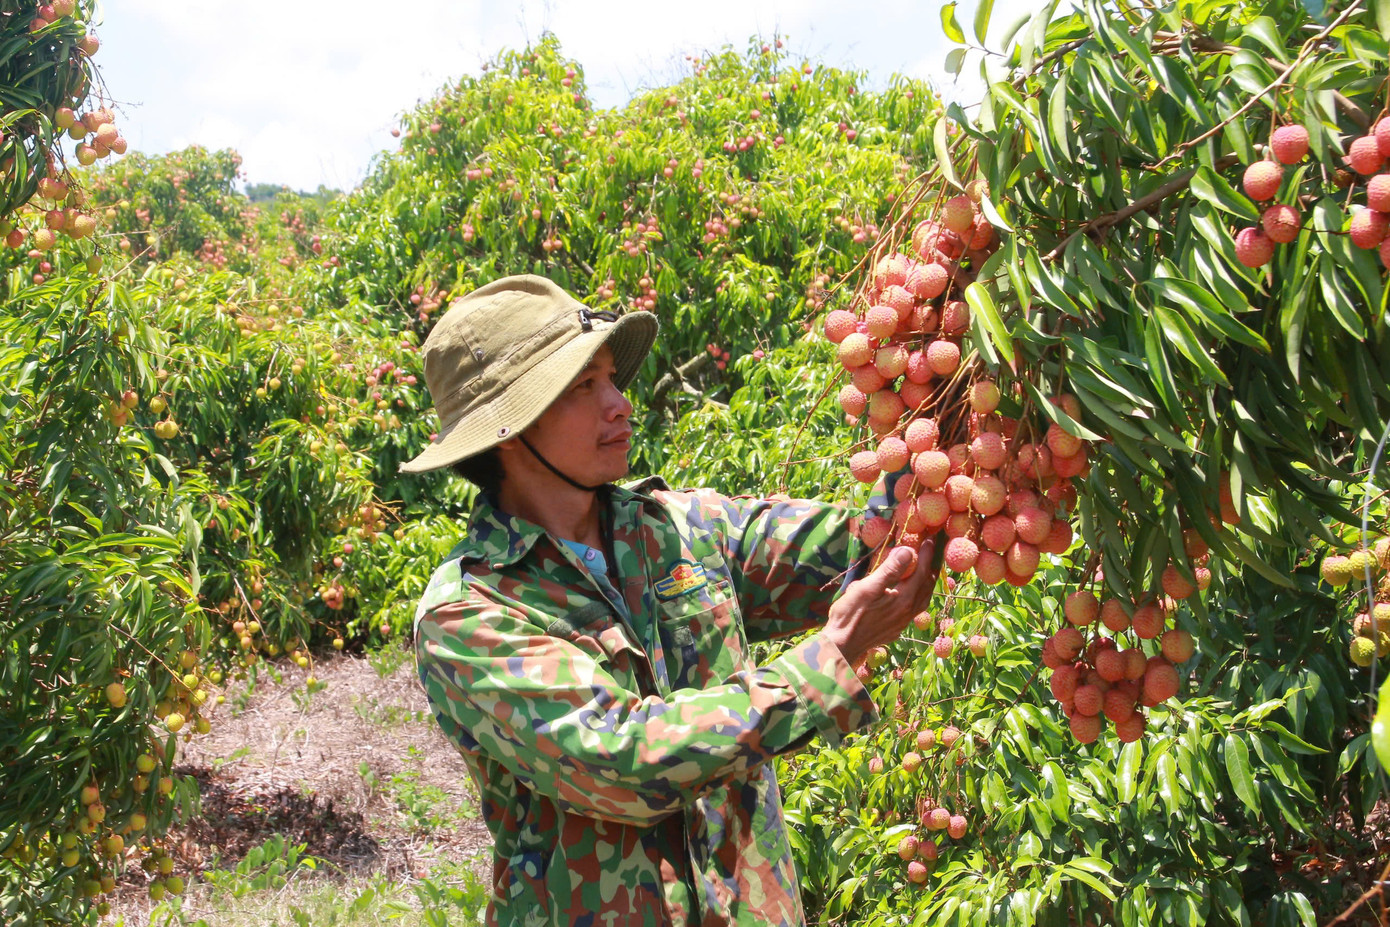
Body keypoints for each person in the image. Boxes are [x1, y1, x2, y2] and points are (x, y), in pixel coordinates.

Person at [402, 275, 938, 926]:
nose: (619, 404)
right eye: (582, 386)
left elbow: (866, 545)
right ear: (509, 431)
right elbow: (624, 762)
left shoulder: (681, 528)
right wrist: (830, 658)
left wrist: (934, 391)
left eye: (610, 378)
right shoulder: (471, 612)